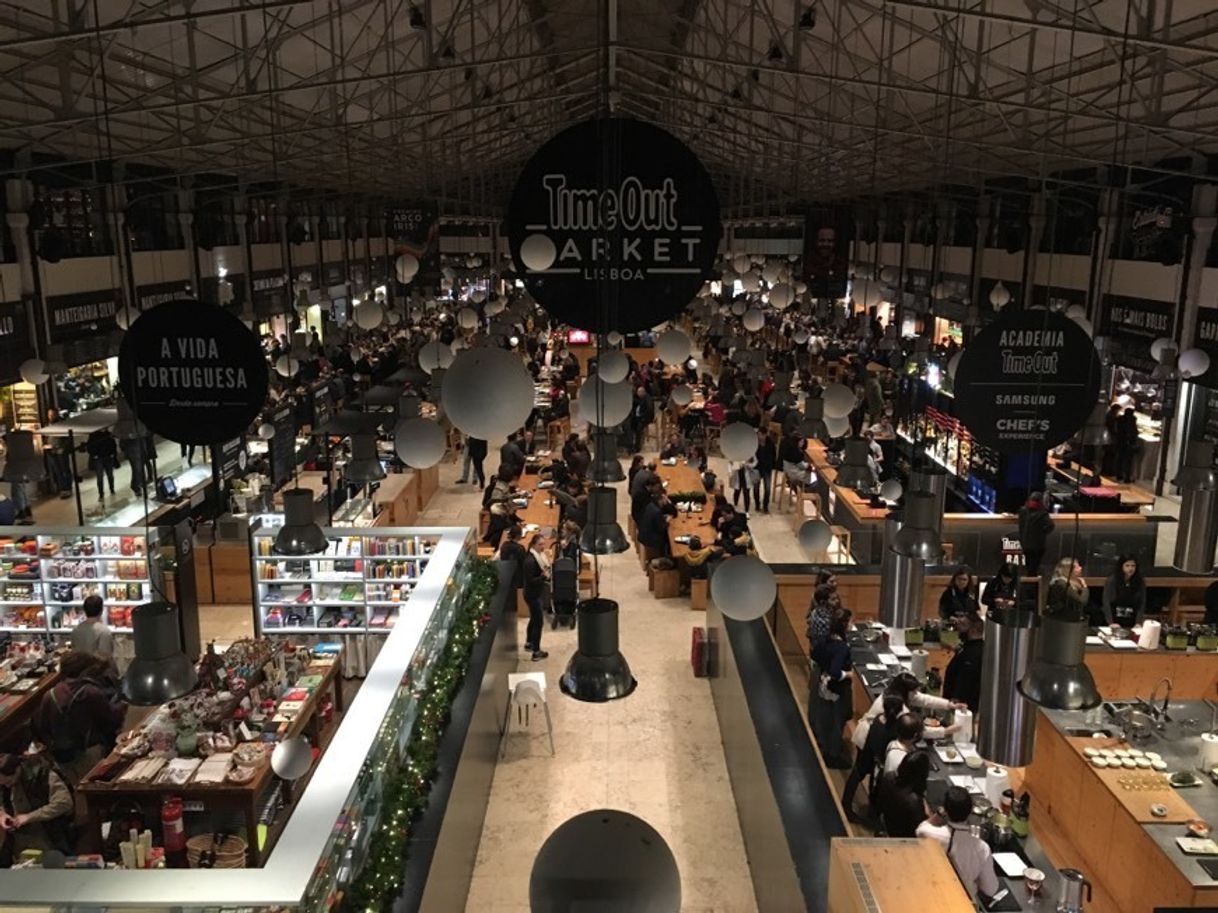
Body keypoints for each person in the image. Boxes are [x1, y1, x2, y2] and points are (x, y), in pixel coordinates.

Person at [34, 651, 127, 786]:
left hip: (62, 756)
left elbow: (42, 728)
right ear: (84, 670)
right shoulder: (89, 692)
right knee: (96, 788)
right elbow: (110, 720)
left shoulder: (50, 695)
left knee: (78, 790)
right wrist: (122, 707)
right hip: (88, 752)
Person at [918, 786, 1001, 901]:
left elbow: (920, 829)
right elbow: (990, 890)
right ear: (970, 812)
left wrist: (939, 814)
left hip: (931, 892)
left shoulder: (929, 834)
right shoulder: (982, 849)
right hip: (962, 901)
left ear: (945, 810)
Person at [0, 751, 75, 863]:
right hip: (17, 840)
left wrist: (29, 817)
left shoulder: (43, 775)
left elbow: (64, 803)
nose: (7, 785)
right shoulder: (3, 782)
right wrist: (2, 815)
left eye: (9, 781)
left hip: (47, 834)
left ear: (17, 770)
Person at [842, 693, 904, 822]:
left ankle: (846, 804)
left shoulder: (878, 718)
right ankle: (872, 813)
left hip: (867, 752)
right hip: (876, 760)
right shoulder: (893, 729)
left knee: (856, 777)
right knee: (874, 785)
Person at [809, 611, 853, 769]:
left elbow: (815, 654)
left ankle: (827, 747)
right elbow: (836, 671)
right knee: (837, 720)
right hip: (837, 688)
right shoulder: (841, 647)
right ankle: (833, 755)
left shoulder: (824, 640)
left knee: (827, 718)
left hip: (823, 684)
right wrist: (847, 674)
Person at [874, 749, 931, 838]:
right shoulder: (914, 801)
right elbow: (921, 827)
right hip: (903, 834)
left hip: (887, 821)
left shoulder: (889, 776)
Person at [942, 613, 985, 712]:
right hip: (957, 703)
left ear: (973, 629)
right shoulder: (969, 647)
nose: (959, 630)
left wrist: (955, 700)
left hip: (962, 706)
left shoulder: (974, 654)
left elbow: (966, 680)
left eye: (962, 626)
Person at [522, 535, 549, 661]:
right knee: (538, 622)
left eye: (543, 544)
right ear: (533, 545)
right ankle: (536, 651)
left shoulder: (537, 557)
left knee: (533, 618)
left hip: (533, 593)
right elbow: (531, 580)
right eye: (540, 545)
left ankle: (529, 643)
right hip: (533, 595)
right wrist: (543, 577)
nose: (543, 547)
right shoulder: (530, 561)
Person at [1103, 554, 1147, 629]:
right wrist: (1110, 622)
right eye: (1127, 565)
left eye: (1133, 566)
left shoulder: (1140, 581)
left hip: (1131, 620)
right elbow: (1106, 602)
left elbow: (1142, 603)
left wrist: (1138, 622)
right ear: (1121, 566)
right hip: (1115, 620)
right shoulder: (1112, 580)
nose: (1130, 568)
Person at [1017, 491, 1054, 577]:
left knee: (1028, 565)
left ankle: (1028, 582)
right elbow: (1050, 526)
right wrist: (1042, 532)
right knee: (1034, 568)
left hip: (1025, 544)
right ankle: (1032, 585)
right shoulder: (1042, 513)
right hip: (1038, 545)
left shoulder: (1022, 511)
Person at [70, 595, 114, 660]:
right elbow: (106, 656)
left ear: (85, 610)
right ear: (101, 611)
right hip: (97, 669)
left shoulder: (75, 630)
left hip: (79, 668)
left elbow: (74, 650)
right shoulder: (104, 631)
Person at [1045, 557, 1090, 621]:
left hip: (1068, 618)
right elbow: (1081, 601)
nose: (1081, 568)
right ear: (1069, 570)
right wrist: (1085, 587)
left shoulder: (1070, 583)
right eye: (1077, 567)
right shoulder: (1062, 584)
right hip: (1061, 621)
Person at [86, 428, 117, 504]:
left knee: (105, 475)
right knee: (104, 475)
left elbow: (89, 447)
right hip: (103, 457)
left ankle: (106, 491)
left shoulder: (94, 435)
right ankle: (105, 492)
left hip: (103, 457)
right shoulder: (105, 435)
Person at [754, 429, 776, 512]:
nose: (759, 437)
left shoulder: (771, 444)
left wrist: (771, 466)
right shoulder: (754, 444)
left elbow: (773, 457)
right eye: (758, 435)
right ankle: (757, 504)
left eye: (761, 435)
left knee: (767, 488)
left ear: (765, 435)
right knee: (756, 488)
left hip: (767, 469)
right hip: (757, 468)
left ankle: (765, 505)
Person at [1115, 407, 1139, 482]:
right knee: (1128, 460)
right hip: (1128, 442)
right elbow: (1134, 431)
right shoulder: (1132, 420)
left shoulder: (1120, 419)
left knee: (1120, 459)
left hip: (1120, 441)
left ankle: (1119, 475)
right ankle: (1126, 476)